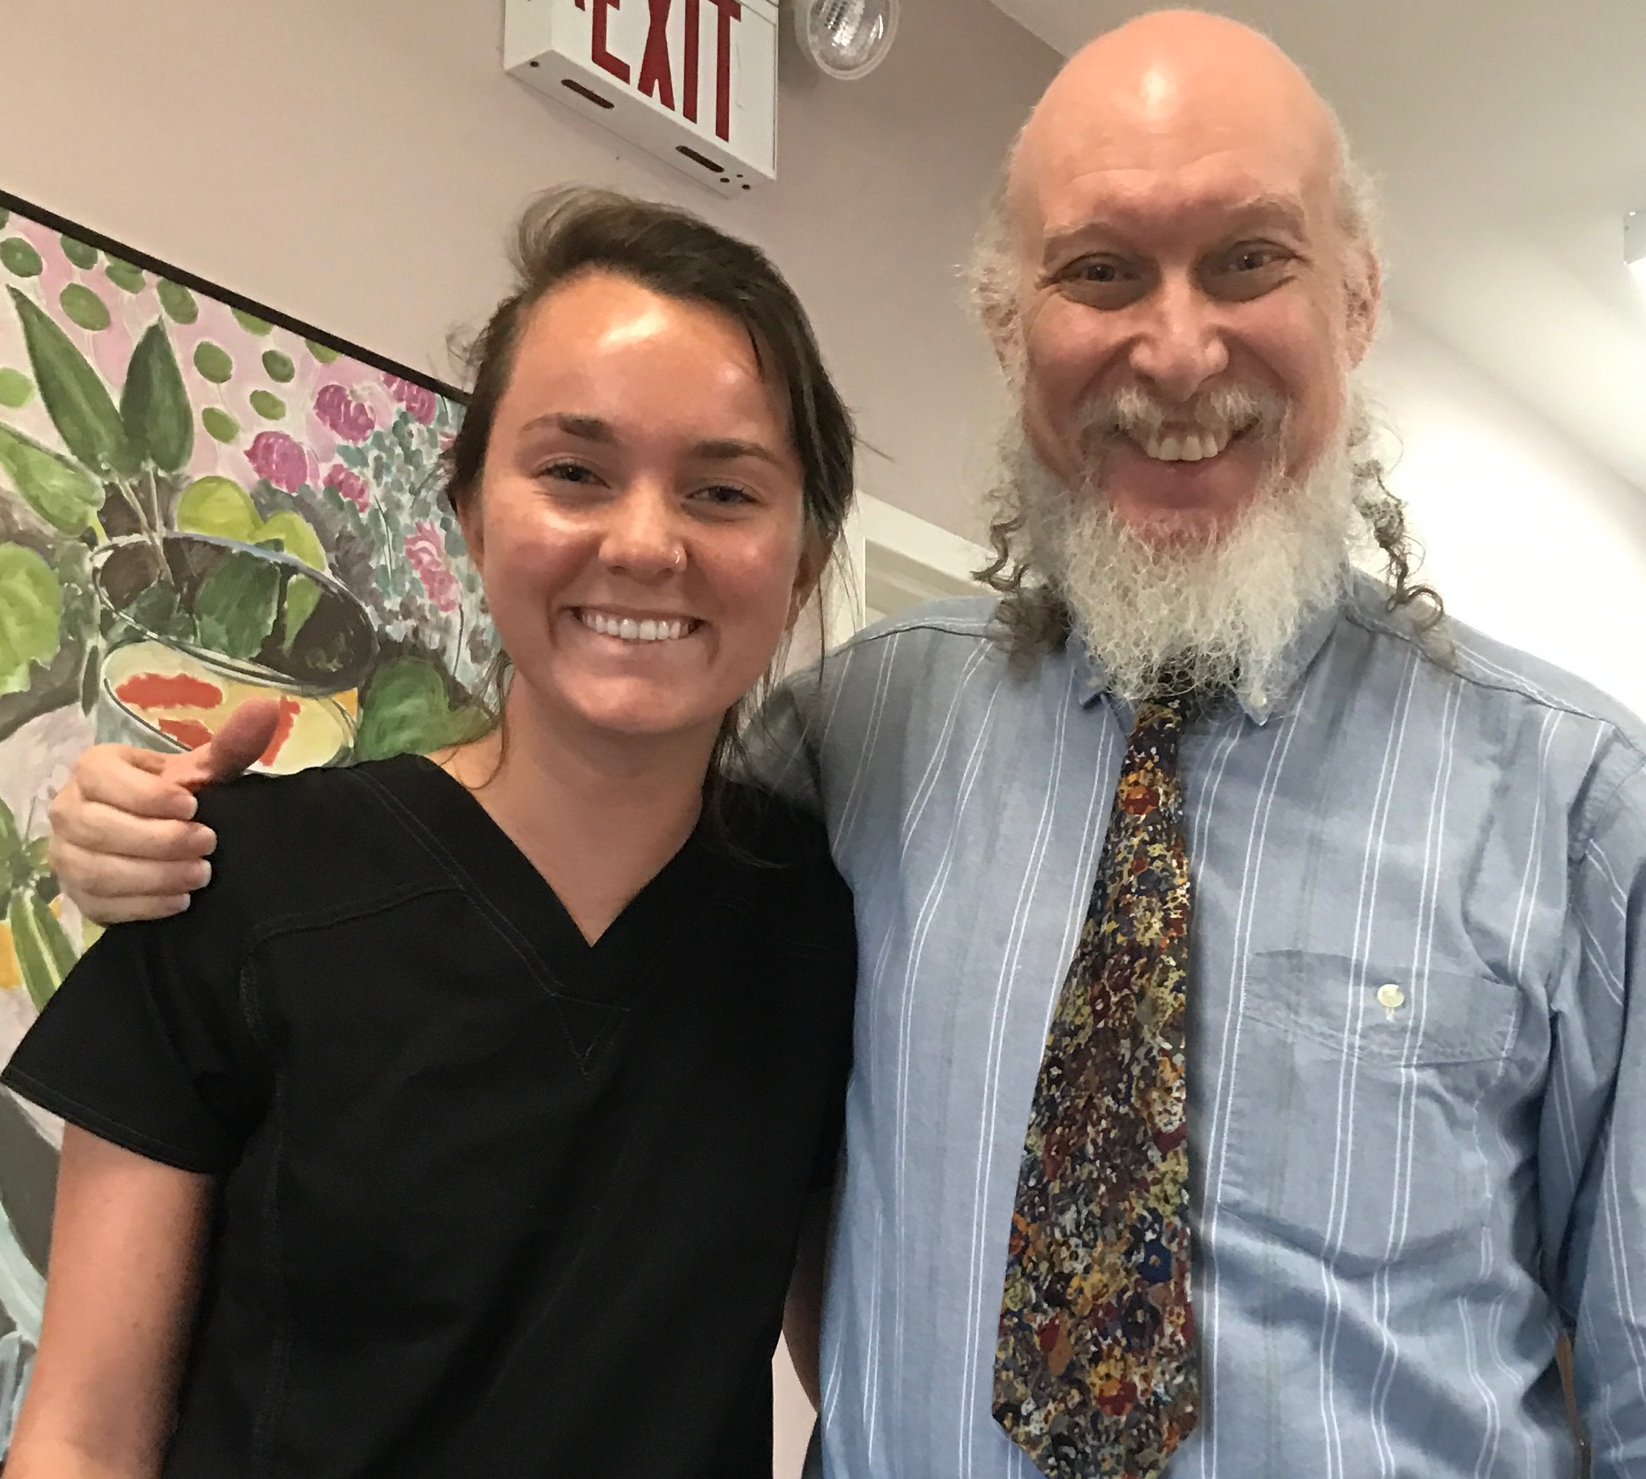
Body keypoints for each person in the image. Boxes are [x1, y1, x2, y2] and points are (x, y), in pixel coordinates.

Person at [48, 10, 1646, 1479]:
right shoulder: (869, 733)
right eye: (1097, 271)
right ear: (1006, 323)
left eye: (1246, 260)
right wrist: (136, 816)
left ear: (1355, 296)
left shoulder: (1575, 803)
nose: (1174, 348)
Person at [5, 187, 859, 1479]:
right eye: (573, 471)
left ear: (803, 556)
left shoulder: (821, 932)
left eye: (723, 490)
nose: (643, 542)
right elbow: (81, 1433)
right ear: (469, 508)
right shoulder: (232, 883)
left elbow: (852, 1360)